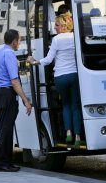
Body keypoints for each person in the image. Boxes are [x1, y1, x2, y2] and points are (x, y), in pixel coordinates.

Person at [27, 12, 82, 147]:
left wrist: (34, 62)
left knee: (66, 105)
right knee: (76, 106)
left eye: (57, 25)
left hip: (60, 77)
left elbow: (48, 60)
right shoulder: (76, 37)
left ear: (63, 26)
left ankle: (68, 133)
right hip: (74, 75)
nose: (55, 28)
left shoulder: (57, 40)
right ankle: (78, 136)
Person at [0, 29, 32, 172]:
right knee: (6, 129)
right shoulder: (9, 54)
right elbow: (14, 81)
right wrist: (25, 100)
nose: (19, 43)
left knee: (5, 128)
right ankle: (1, 163)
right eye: (19, 40)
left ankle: (6, 162)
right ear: (14, 41)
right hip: (8, 94)